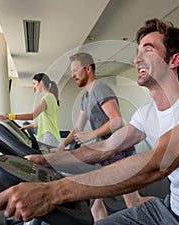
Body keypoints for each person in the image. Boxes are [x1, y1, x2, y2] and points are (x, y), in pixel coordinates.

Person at [0, 18, 179, 224]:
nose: (136, 59)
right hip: (170, 208)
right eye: (137, 52)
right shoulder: (146, 113)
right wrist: (51, 159)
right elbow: (108, 147)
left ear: (174, 60)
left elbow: (159, 164)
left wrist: (54, 192)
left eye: (148, 49)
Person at [51, 52, 151, 221]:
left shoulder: (100, 88)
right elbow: (78, 127)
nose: (73, 74)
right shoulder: (86, 97)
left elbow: (117, 120)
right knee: (97, 203)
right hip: (103, 151)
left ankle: (163, 209)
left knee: (132, 202)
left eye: (76, 70)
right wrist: (60, 148)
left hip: (117, 148)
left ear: (88, 69)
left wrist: (91, 135)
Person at [0, 73, 61, 147]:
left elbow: (31, 116)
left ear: (41, 83)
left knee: (42, 158)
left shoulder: (47, 98)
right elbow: (46, 123)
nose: (34, 87)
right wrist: (28, 126)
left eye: (34, 83)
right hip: (51, 136)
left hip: (49, 137)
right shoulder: (51, 97)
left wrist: (8, 116)